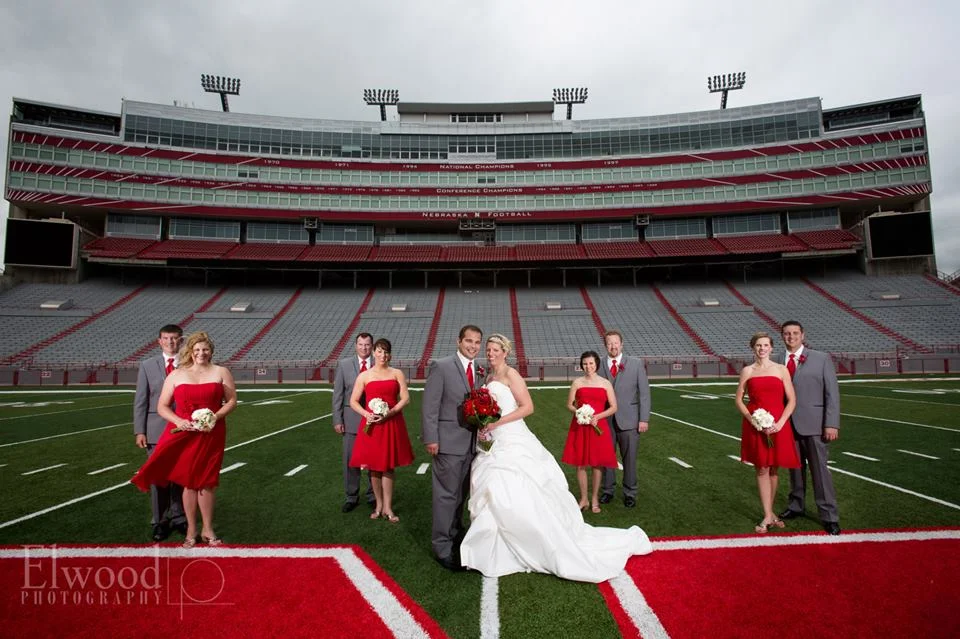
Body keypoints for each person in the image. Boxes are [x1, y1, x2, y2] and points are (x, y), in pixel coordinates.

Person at [459, 334, 652, 582]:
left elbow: (527, 407)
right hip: (495, 440)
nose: (491, 353)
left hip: (511, 437)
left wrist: (497, 423)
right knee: (492, 485)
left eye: (496, 349)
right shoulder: (487, 377)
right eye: (489, 349)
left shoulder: (511, 375)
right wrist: (485, 424)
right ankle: (492, 544)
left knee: (507, 485)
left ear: (505, 352)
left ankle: (528, 540)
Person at [131, 331, 237, 548]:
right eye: (197, 349)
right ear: (190, 351)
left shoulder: (221, 371)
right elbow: (161, 406)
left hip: (211, 433)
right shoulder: (177, 374)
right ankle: (191, 530)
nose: (201, 353)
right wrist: (179, 421)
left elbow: (232, 401)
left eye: (205, 349)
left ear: (211, 351)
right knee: (188, 483)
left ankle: (208, 529)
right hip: (185, 434)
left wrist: (214, 417)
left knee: (207, 482)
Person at [421, 324, 483, 572]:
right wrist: (431, 439)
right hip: (447, 443)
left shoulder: (478, 370)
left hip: (471, 443)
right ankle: (442, 547)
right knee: (446, 497)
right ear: (458, 341)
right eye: (469, 341)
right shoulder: (442, 366)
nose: (473, 346)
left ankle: (455, 534)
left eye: (477, 342)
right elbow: (429, 406)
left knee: (460, 495)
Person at [778, 321, 842, 535]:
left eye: (795, 333)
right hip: (787, 425)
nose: (791, 337)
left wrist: (831, 423)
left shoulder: (821, 358)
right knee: (795, 471)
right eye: (787, 333)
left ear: (802, 335)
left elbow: (832, 393)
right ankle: (796, 505)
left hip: (815, 425)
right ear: (782, 336)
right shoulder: (776, 360)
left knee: (820, 472)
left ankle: (829, 516)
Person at [734, 331, 800, 533]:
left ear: (771, 348)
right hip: (756, 426)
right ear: (753, 348)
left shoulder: (781, 370)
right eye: (758, 345)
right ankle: (767, 514)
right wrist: (753, 420)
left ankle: (771, 513)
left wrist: (779, 424)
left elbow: (792, 400)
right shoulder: (747, 371)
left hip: (778, 425)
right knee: (762, 468)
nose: (762, 349)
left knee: (774, 469)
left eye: (765, 345)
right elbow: (738, 400)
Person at [348, 338, 414, 523]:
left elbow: (405, 398)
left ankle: (388, 507)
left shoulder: (397, 373)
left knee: (388, 466)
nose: (382, 355)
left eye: (386, 352)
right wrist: (366, 414)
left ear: (390, 354)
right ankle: (378, 505)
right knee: (374, 467)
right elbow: (353, 401)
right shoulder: (364, 376)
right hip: (372, 426)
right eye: (379, 351)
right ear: (374, 352)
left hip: (391, 423)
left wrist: (391, 412)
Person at [133, 323, 187, 542]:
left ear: (181, 341)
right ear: (159, 341)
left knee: (180, 476)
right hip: (155, 430)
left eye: (174, 338)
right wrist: (139, 431)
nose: (170, 342)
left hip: (183, 427)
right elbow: (141, 400)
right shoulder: (147, 365)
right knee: (158, 477)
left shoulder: (189, 364)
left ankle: (179, 516)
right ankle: (159, 520)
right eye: (166, 338)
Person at [598, 330, 651, 508]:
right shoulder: (599, 365)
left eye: (615, 343)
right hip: (605, 420)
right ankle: (607, 491)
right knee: (607, 457)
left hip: (630, 419)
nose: (613, 346)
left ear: (622, 344)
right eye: (609, 343)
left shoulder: (636, 364)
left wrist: (643, 419)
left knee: (629, 458)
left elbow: (644, 394)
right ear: (605, 345)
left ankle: (630, 492)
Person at [561, 351, 618, 513]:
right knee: (580, 464)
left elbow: (614, 407)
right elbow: (570, 404)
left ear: (597, 364)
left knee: (597, 464)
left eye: (591, 363)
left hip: (598, 427)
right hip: (580, 426)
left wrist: (597, 417)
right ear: (581, 365)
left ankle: (594, 499)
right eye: (585, 364)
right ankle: (584, 498)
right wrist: (579, 412)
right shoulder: (577, 382)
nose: (588, 366)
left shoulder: (605, 383)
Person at [333, 332, 376, 513]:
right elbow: (338, 394)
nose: (364, 348)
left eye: (367, 345)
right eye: (361, 344)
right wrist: (337, 419)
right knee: (351, 460)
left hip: (374, 422)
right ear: (355, 345)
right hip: (351, 421)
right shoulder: (344, 365)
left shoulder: (379, 363)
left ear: (372, 346)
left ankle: (373, 495)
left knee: (373, 460)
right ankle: (351, 496)